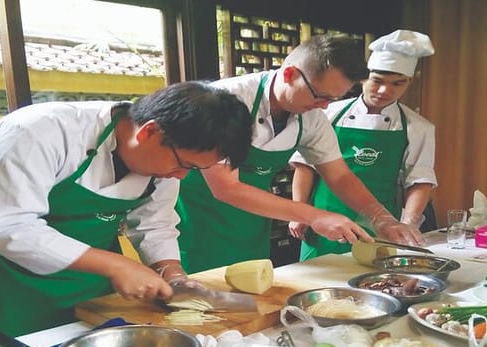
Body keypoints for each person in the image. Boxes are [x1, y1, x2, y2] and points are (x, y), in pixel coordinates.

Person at [0, 82, 253, 336]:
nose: (181, 176)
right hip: (8, 285)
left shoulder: (164, 163)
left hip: (90, 288)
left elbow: (155, 225)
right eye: (184, 165)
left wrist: (173, 275)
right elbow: (6, 228)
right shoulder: (37, 132)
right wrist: (117, 265)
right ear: (150, 131)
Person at [176, 34, 423, 274]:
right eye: (320, 96)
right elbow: (226, 188)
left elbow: (339, 176)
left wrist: (381, 217)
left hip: (252, 220)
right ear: (290, 74)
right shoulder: (225, 101)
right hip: (198, 220)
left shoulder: (311, 116)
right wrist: (315, 215)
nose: (325, 106)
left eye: (333, 99)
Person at [289, 30, 437, 260]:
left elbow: (419, 181)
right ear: (363, 78)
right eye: (377, 81)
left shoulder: (418, 127)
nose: (385, 91)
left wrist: (408, 224)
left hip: (380, 227)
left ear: (409, 81)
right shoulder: (328, 113)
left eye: (398, 84)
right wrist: (300, 211)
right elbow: (305, 166)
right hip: (325, 223)